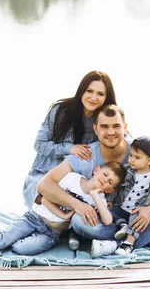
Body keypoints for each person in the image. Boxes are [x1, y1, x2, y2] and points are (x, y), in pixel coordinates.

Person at [37, 104, 150, 253]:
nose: (111, 132)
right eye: (104, 127)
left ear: (125, 127)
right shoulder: (86, 154)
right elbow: (44, 186)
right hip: (110, 219)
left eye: (116, 126)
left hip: (140, 214)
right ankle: (134, 242)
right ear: (95, 129)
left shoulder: (140, 151)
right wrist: (77, 204)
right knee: (78, 220)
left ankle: (117, 245)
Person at [0, 162, 125, 256]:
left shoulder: (97, 199)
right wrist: (64, 214)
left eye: (110, 182)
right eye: (105, 174)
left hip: (52, 233)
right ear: (96, 170)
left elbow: (107, 221)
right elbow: (46, 198)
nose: (105, 180)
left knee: (19, 248)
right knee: (1, 242)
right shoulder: (72, 179)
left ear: (110, 189)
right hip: (34, 218)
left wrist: (94, 196)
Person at [22, 70, 117, 210]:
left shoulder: (103, 120)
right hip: (43, 175)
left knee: (84, 209)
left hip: (76, 183)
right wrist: (69, 148)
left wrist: (146, 151)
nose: (93, 97)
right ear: (81, 91)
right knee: (44, 201)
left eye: (100, 94)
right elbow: (39, 144)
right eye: (89, 91)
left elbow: (119, 139)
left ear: (106, 97)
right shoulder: (61, 111)